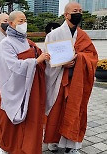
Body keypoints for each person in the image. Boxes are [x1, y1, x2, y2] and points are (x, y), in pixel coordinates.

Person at [43, 2, 98, 154]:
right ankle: (53, 141)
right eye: (75, 11)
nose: (78, 13)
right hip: (59, 80)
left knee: (75, 110)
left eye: (80, 11)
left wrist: (79, 58)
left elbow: (92, 56)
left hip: (77, 82)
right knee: (56, 110)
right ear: (66, 14)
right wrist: (62, 64)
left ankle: (73, 146)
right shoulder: (53, 35)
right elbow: (47, 59)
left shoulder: (83, 36)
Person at [0, 11, 50, 154]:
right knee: (8, 119)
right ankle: (5, 146)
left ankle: (28, 148)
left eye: (25, 20)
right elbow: (13, 66)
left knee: (32, 118)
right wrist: (36, 61)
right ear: (11, 23)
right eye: (20, 21)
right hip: (14, 88)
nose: (24, 24)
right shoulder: (5, 44)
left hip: (32, 87)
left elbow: (41, 57)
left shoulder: (28, 42)